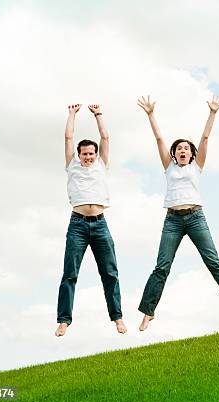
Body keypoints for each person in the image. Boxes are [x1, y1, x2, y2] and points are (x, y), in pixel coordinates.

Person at [136, 95, 219, 331]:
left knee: (213, 262)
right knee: (162, 266)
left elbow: (205, 137)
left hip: (196, 218)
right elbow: (159, 139)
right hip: (173, 221)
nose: (183, 151)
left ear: (191, 153)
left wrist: (213, 113)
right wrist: (150, 115)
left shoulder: (197, 166)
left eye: (186, 148)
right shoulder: (169, 167)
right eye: (179, 149)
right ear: (174, 154)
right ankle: (148, 312)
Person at [55, 104, 127, 337]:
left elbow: (105, 137)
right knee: (70, 274)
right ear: (79, 154)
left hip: (100, 224)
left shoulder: (101, 165)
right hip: (77, 224)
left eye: (91, 154)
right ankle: (64, 320)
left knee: (110, 272)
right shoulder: (72, 165)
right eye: (84, 153)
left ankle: (117, 317)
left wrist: (98, 115)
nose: (88, 157)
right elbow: (68, 137)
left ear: (96, 155)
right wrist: (72, 115)